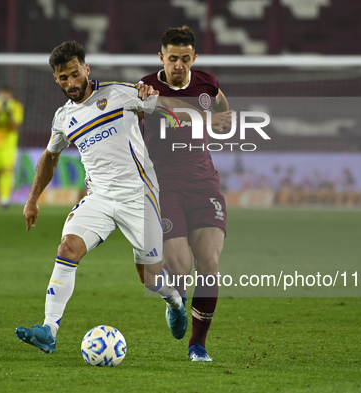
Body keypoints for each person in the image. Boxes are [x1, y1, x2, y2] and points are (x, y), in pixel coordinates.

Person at [14, 41, 189, 354]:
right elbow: (50, 158)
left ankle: (175, 301)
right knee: (68, 246)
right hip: (100, 197)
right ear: (55, 78)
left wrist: (158, 103)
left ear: (86, 69)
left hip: (140, 195)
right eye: (63, 77)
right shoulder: (63, 118)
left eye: (75, 74)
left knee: (149, 279)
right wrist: (32, 199)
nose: (71, 82)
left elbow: (165, 108)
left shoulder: (121, 93)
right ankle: (49, 329)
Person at [140, 26, 230, 362]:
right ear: (161, 57)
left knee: (209, 264)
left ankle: (198, 345)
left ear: (194, 58)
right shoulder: (146, 87)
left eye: (185, 58)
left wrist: (221, 117)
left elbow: (220, 103)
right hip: (163, 186)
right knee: (180, 267)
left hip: (204, 184)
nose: (179, 64)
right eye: (173, 58)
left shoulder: (207, 83)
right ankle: (174, 299)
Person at [0, 86, 24, 209]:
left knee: (7, 170)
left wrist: (9, 113)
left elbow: (16, 127)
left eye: (7, 95)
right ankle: (1, 196)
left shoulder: (16, 107)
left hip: (9, 145)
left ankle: (5, 199)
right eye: (3, 95)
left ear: (11, 95)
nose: (5, 97)